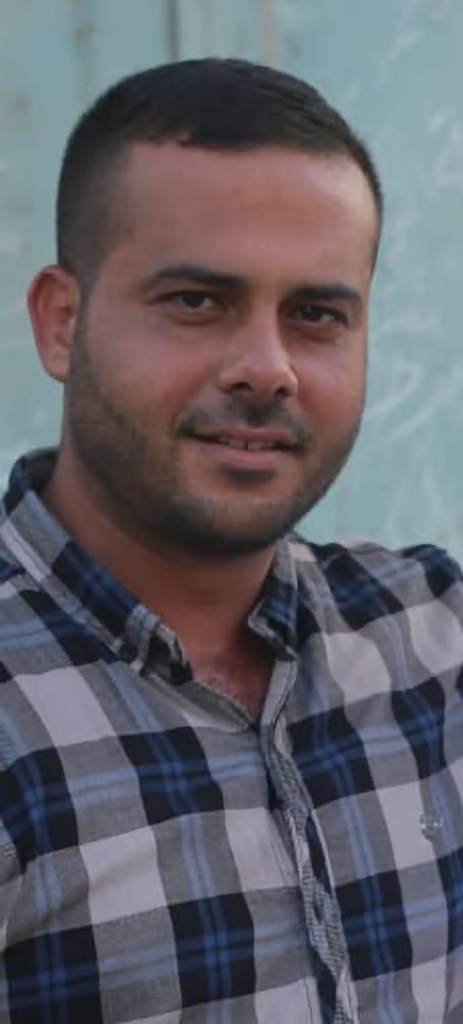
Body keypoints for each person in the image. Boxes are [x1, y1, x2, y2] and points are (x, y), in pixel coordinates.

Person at [0, 57, 461, 1024]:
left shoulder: (431, 641)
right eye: (196, 301)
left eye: (316, 315)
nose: (267, 368)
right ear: (61, 323)